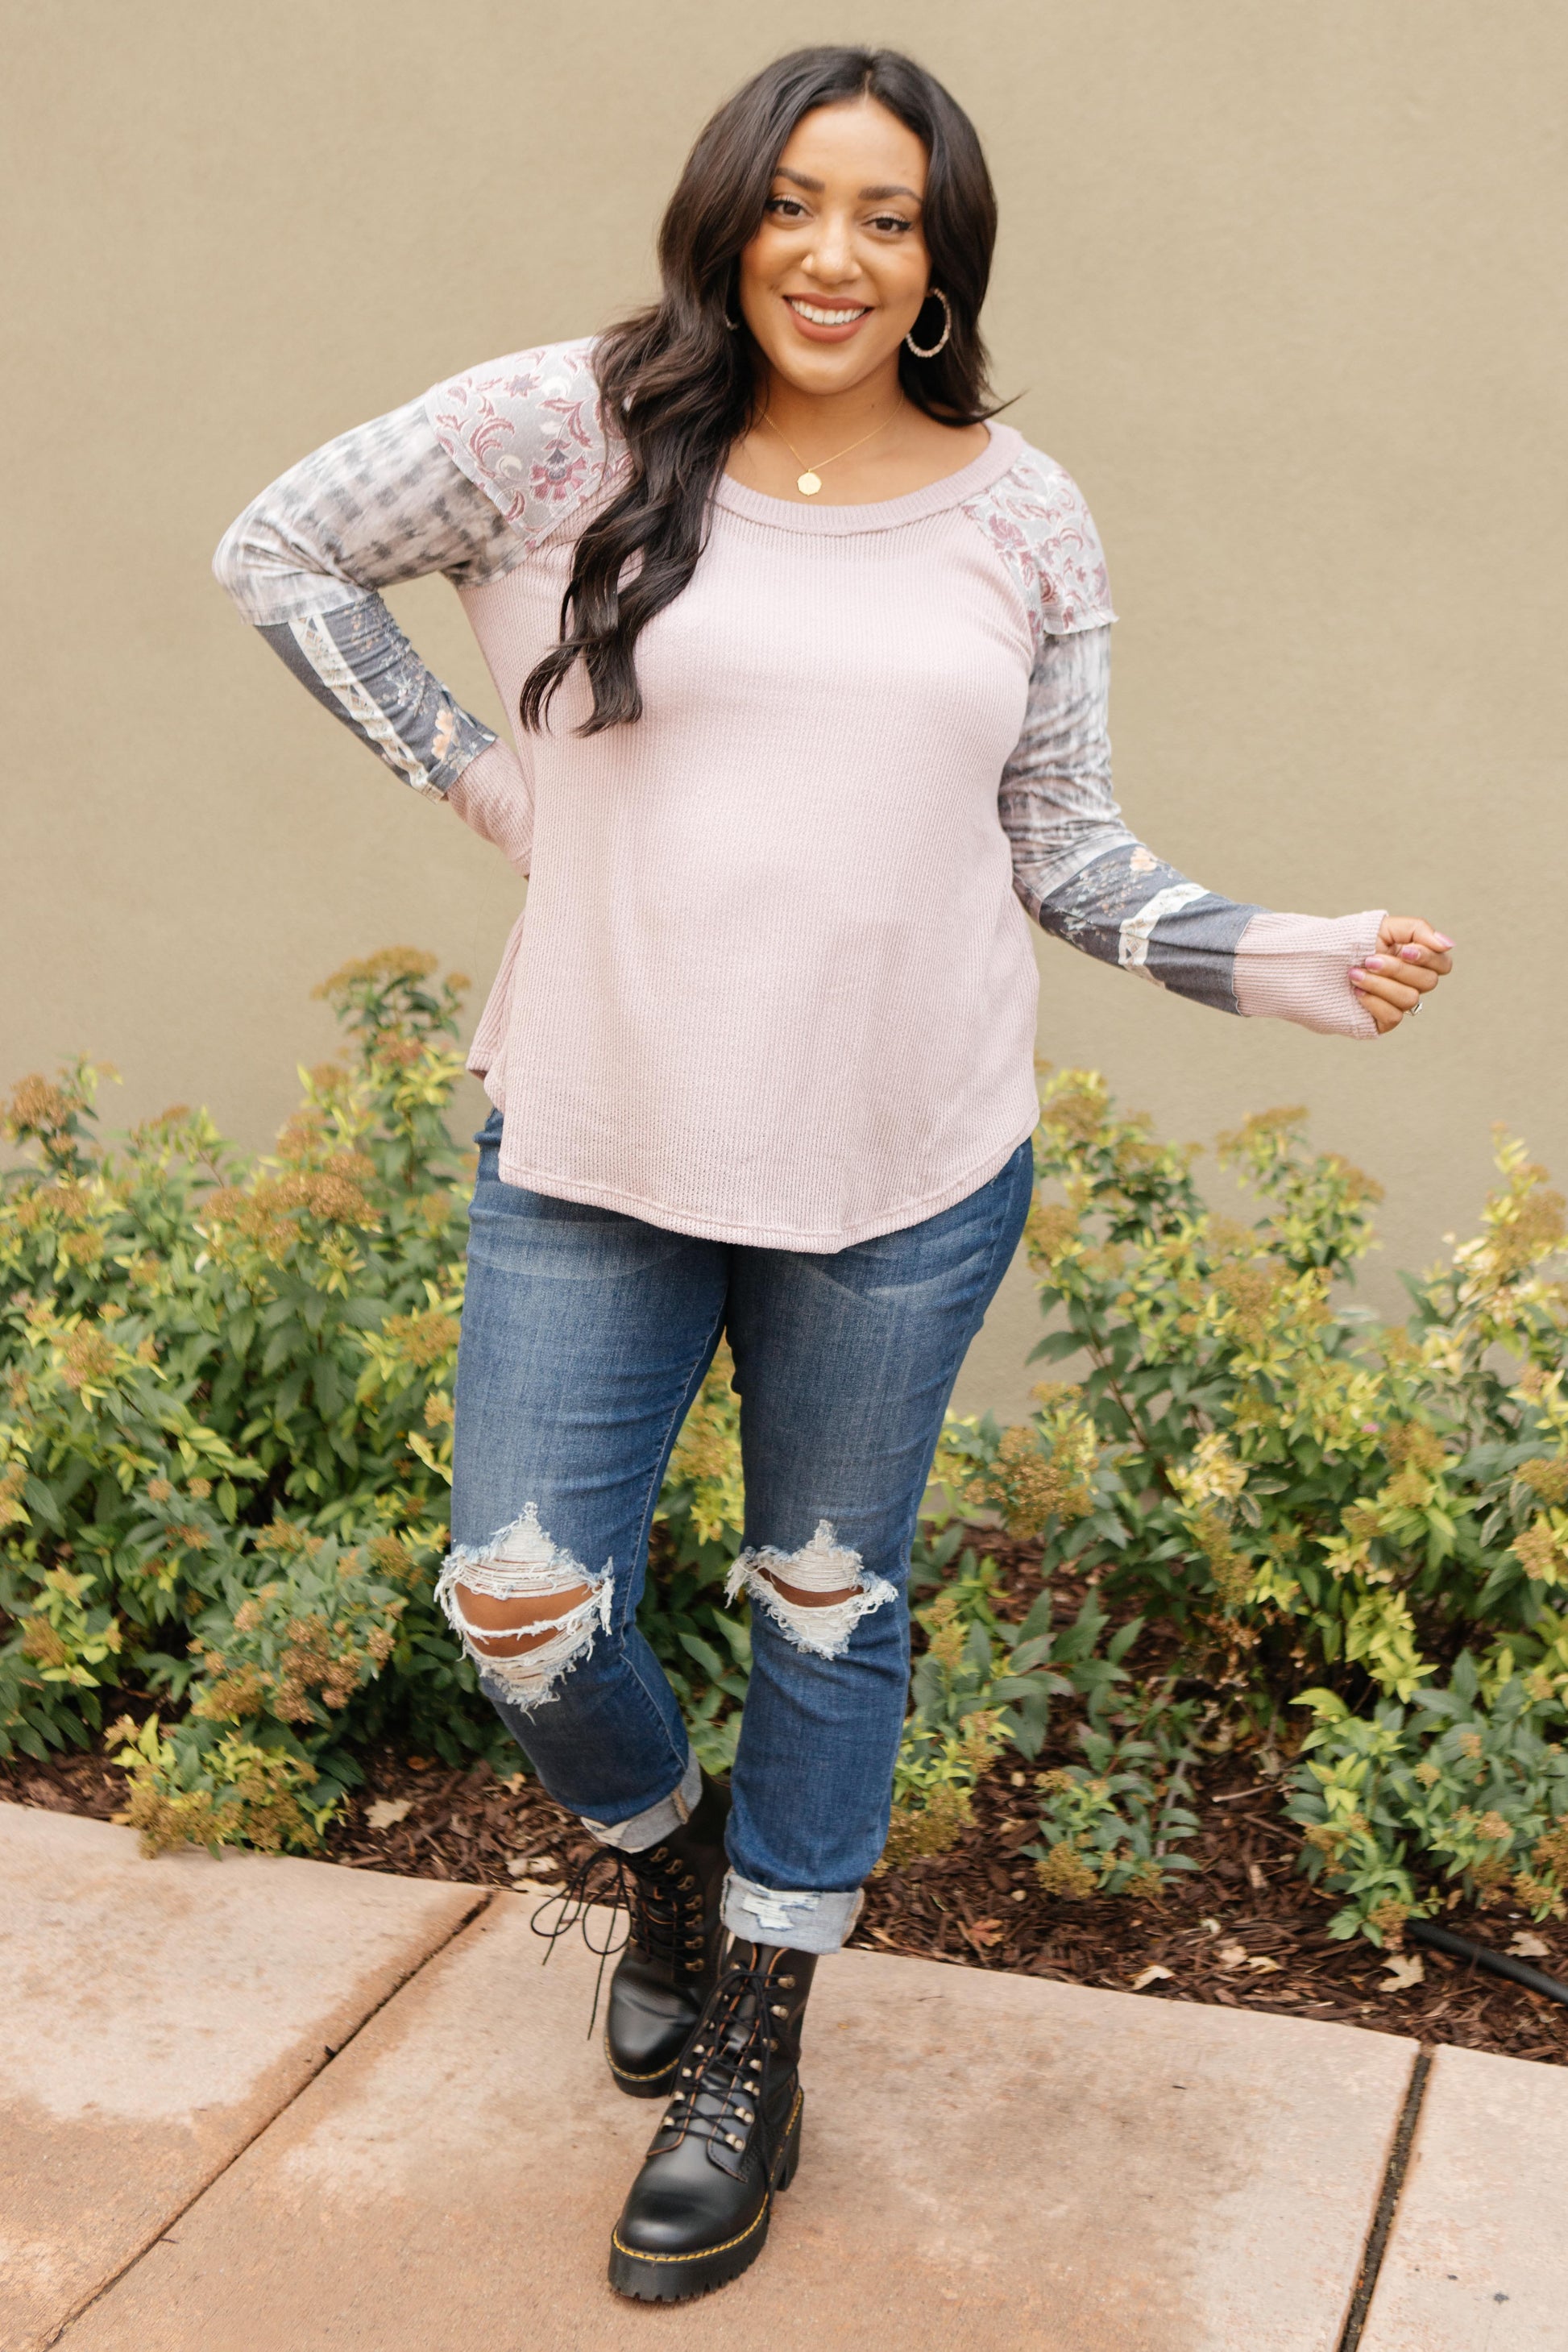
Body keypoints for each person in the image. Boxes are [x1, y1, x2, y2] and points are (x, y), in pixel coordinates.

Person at [214, 44, 1454, 2302]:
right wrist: (491, 788)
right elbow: (277, 549)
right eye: (797, 201)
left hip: (902, 1164)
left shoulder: (1022, 515)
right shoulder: (563, 430)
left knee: (822, 1600)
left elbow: (1063, 853)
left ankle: (754, 2043)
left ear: (941, 261)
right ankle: (673, 1864)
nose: (835, 254)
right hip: (600, 1128)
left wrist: (1283, 955)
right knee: (519, 1602)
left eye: (888, 218)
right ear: (729, 214)